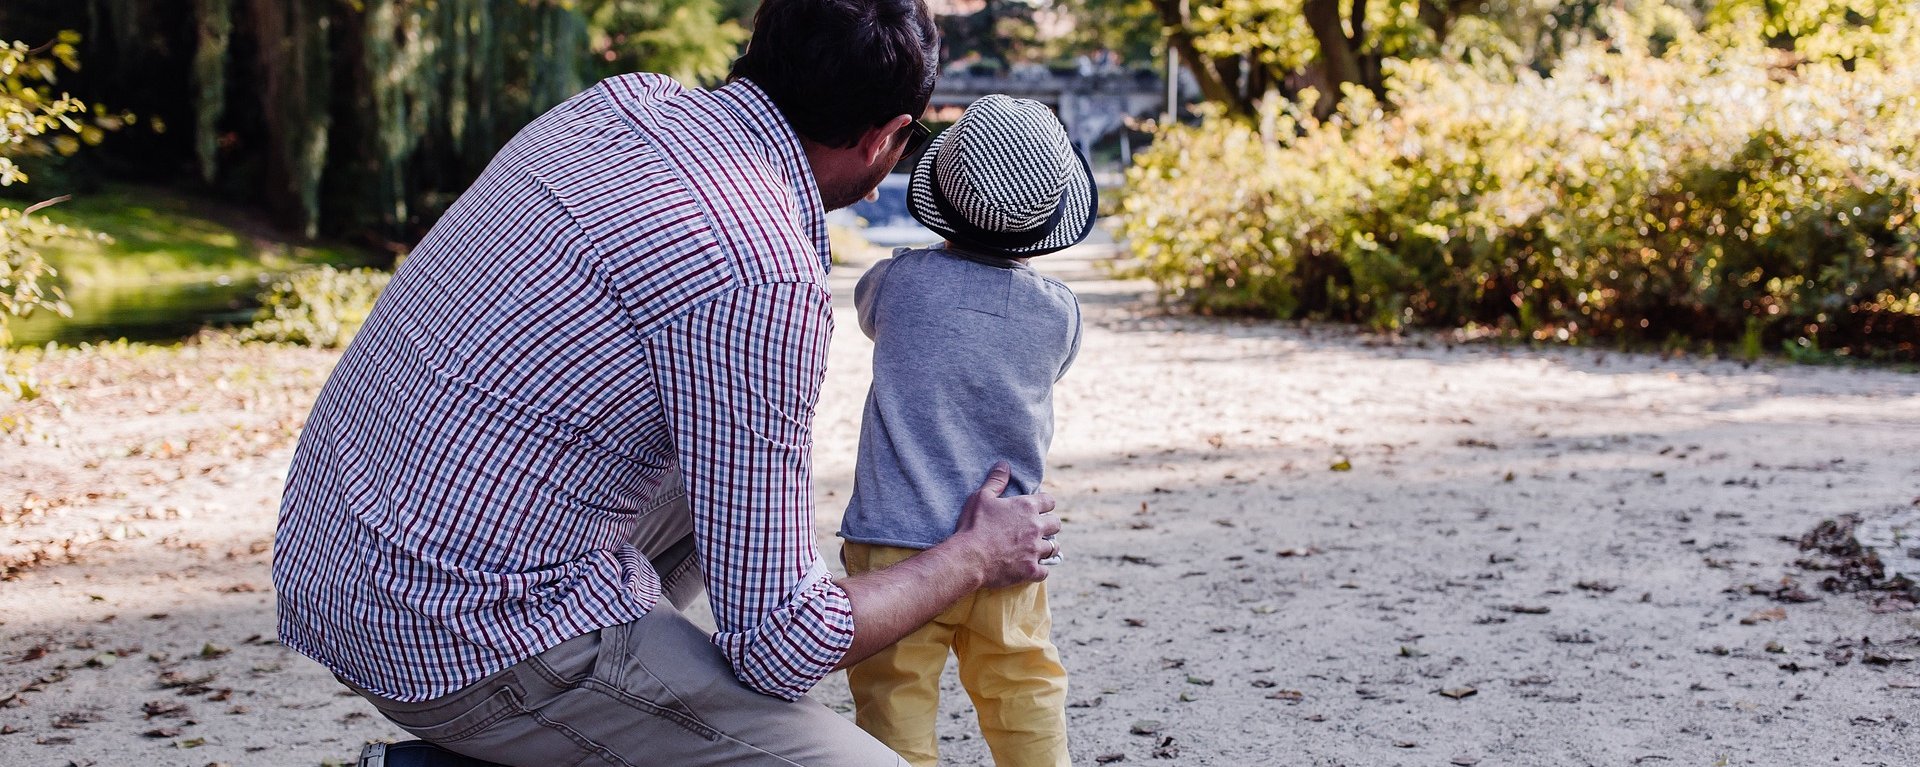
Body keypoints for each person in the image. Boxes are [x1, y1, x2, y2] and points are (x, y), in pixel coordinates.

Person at [269, 0, 1062, 764]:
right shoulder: (761, 271)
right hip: (451, 638)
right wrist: (971, 555)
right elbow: (785, 644)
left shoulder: (620, 102)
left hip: (333, 558)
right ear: (886, 136)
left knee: (727, 456)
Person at [838, 95, 1094, 767]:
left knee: (893, 702)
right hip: (1011, 543)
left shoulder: (896, 284)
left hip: (895, 548)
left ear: (942, 196)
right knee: (1025, 687)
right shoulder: (1058, 312)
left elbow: (869, 318)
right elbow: (1054, 366)